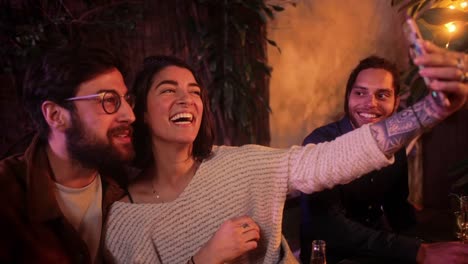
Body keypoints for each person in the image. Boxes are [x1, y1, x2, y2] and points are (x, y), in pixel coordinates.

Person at [104, 42, 468, 264]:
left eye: (195, 90)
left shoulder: (238, 162)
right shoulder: (124, 219)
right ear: (141, 112)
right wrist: (206, 258)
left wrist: (432, 109)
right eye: (169, 90)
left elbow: (327, 159)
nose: (187, 99)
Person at [299, 55, 453, 264]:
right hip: (332, 256)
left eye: (382, 95)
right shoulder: (320, 143)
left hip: (379, 251)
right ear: (348, 97)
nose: (370, 103)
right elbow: (330, 227)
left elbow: (398, 210)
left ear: (396, 102)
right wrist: (417, 251)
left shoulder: (394, 144)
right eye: (360, 93)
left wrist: (432, 242)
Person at [0, 45, 136, 263]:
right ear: (55, 115)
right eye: (108, 100)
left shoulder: (130, 190)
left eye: (127, 99)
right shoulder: (7, 197)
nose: (129, 115)